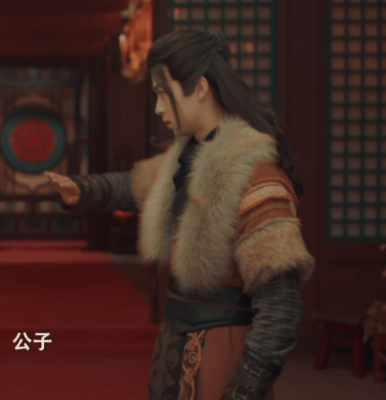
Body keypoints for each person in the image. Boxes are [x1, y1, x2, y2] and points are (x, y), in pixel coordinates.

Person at [46, 28, 315, 400]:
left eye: (163, 93)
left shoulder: (255, 174)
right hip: (174, 342)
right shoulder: (185, 157)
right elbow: (133, 185)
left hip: (223, 350)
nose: (158, 108)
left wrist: (243, 388)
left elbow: (280, 304)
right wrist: (81, 189)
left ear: (199, 88)